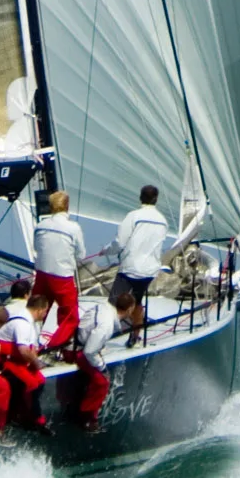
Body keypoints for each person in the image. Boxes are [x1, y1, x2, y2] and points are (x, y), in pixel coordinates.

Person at [111, 183, 170, 342]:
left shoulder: (133, 216)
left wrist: (107, 251)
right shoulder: (163, 221)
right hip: (149, 271)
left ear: (140, 197)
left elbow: (120, 242)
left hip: (130, 268)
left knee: (114, 302)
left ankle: (107, 334)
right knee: (137, 302)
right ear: (156, 199)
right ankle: (135, 337)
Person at [32, 189, 87, 352]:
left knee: (37, 309)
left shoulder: (40, 226)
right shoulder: (73, 228)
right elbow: (81, 254)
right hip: (62, 277)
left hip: (42, 275)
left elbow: (36, 248)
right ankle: (54, 346)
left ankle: (32, 342)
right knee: (69, 316)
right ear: (67, 206)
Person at [62, 289, 117, 428]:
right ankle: (86, 416)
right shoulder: (107, 325)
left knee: (89, 376)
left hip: (77, 346)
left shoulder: (101, 307)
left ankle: (79, 406)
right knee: (102, 381)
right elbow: (89, 351)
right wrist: (102, 367)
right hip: (77, 351)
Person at [0, 299, 47, 429]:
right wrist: (36, 363)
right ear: (39, 310)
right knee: (31, 385)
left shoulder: (29, 322)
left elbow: (30, 348)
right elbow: (23, 350)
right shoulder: (22, 324)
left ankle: (27, 413)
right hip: (6, 361)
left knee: (40, 380)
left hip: (18, 360)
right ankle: (31, 418)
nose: (45, 314)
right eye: (45, 311)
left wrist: (34, 363)